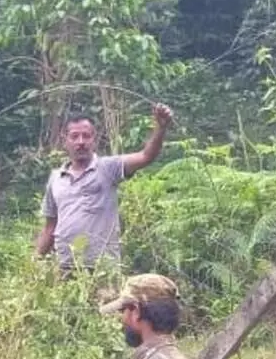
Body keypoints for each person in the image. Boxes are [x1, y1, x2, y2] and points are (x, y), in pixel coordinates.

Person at [34, 103, 174, 275]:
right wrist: (36, 261)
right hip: (65, 267)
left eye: (86, 136)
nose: (81, 142)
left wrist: (160, 128)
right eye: (74, 136)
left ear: (94, 139)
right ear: (65, 140)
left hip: (102, 268)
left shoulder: (108, 168)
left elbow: (146, 156)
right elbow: (50, 226)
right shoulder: (56, 178)